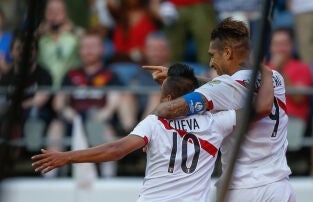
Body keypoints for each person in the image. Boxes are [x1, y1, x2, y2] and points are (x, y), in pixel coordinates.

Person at [32, 63, 274, 201]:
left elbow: (116, 149)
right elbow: (262, 108)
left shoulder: (155, 122)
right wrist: (266, 72)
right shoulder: (215, 122)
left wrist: (66, 157)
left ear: (168, 99)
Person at [144, 18, 295, 201]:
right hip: (280, 187)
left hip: (243, 189)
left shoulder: (226, 86)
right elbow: (230, 88)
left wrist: (149, 128)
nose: (210, 63)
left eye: (213, 55)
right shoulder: (274, 78)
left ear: (228, 52)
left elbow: (171, 109)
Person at [46, 32, 123, 177]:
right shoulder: (70, 74)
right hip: (73, 120)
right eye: (85, 47)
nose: (88, 51)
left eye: (93, 47)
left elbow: (114, 102)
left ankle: (109, 176)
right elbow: (58, 102)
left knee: (107, 131)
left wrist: (100, 116)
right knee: (55, 127)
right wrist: (67, 112)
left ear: (102, 49)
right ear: (79, 50)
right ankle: (49, 177)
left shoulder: (111, 75)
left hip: (100, 120)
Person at [269, 28, 313, 122]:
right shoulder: (263, 69)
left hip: (292, 120)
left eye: (284, 44)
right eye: (276, 44)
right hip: (266, 121)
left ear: (291, 46)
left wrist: (280, 70)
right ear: (271, 47)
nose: (280, 49)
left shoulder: (302, 68)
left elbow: (299, 98)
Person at [37, 0, 82, 88]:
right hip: (44, 87)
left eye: (59, 10)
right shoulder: (39, 36)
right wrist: (38, 35)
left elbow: (92, 47)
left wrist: (74, 30)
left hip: (70, 86)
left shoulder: (75, 34)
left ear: (66, 13)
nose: (54, 14)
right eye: (50, 11)